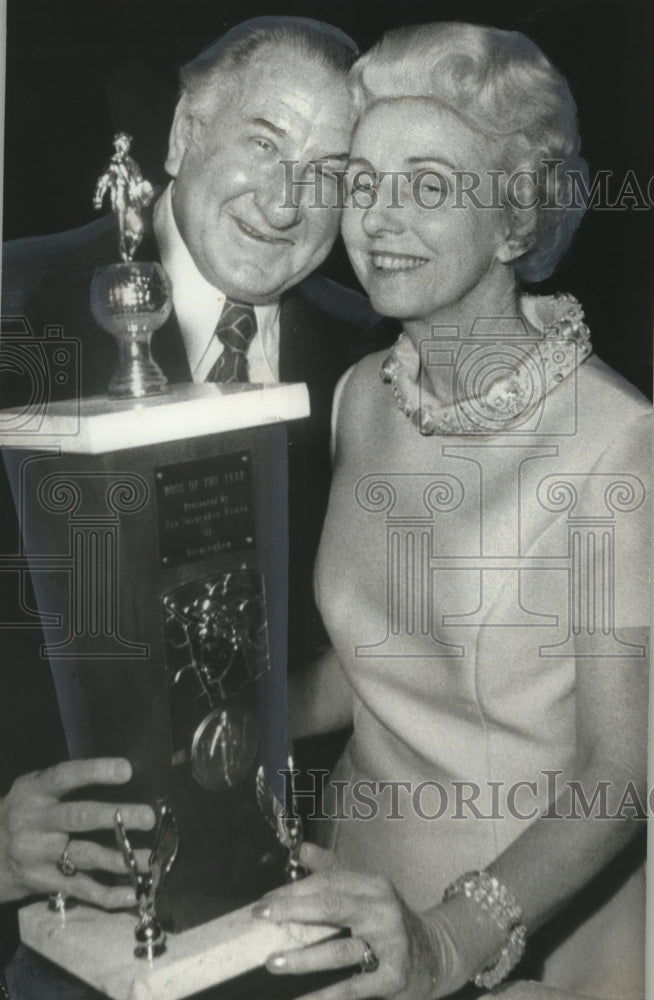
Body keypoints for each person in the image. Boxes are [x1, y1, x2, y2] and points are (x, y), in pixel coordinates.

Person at [252, 22, 650, 999]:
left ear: (515, 218)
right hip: (352, 892)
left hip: (520, 928)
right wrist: (226, 713)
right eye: (362, 183)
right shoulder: (360, 396)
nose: (376, 220)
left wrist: (450, 939)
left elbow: (621, 775)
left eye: (428, 186)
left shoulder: (619, 439)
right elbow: (372, 671)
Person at [0, 15, 395, 988]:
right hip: (57, 931)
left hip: (297, 925)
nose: (286, 198)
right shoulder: (14, 308)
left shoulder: (375, 362)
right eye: (264, 142)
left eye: (329, 170)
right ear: (183, 133)